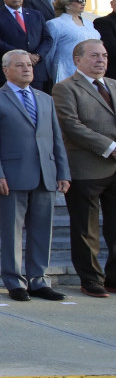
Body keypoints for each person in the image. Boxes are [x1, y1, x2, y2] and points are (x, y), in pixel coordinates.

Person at [0, 50, 71, 301]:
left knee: (42, 231)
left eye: (29, 65)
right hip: (12, 176)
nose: (27, 69)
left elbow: (56, 139)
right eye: (20, 65)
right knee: (12, 232)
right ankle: (14, 281)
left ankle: (38, 280)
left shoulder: (45, 99)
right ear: (5, 70)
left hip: (45, 174)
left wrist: (63, 172)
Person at [51, 40, 116, 298]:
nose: (101, 60)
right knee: (86, 230)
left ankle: (113, 277)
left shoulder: (113, 85)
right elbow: (71, 125)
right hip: (85, 168)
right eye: (94, 55)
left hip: (114, 169)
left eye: (104, 56)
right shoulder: (65, 88)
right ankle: (91, 279)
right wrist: (109, 147)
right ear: (77, 59)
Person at [0, 0, 52, 91]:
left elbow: (47, 39)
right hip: (9, 72)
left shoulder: (36, 15)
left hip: (36, 70)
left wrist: (37, 55)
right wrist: (23, 55)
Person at [45, 0, 99, 85]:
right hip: (66, 72)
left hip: (90, 72)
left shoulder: (89, 23)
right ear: (67, 4)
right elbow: (49, 54)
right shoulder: (55, 24)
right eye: (79, 1)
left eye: (84, 1)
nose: (83, 3)